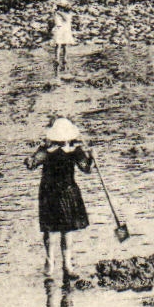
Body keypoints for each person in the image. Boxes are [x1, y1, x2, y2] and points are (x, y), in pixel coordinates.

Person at [25, 117, 94, 278]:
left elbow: (86, 168)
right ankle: (52, 264)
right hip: (52, 194)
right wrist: (30, 160)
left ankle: (66, 265)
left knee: (65, 230)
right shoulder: (47, 150)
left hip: (65, 193)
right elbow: (32, 164)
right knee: (52, 230)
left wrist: (91, 159)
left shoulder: (74, 151)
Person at [49, 0, 76, 78]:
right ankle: (57, 59)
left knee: (64, 45)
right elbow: (56, 20)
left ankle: (64, 59)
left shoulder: (65, 13)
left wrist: (58, 12)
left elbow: (66, 19)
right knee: (59, 45)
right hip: (61, 29)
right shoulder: (58, 13)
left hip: (64, 29)